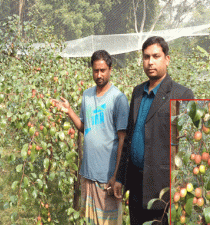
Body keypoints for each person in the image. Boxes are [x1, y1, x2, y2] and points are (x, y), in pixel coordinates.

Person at [113, 36, 194, 224]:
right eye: (146, 57)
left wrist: (184, 187)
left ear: (167, 59)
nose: (150, 62)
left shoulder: (181, 94)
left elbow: (188, 146)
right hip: (136, 187)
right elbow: (129, 139)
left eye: (156, 56)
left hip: (162, 189)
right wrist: (120, 178)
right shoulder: (137, 92)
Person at [53, 50, 129, 225]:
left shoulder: (118, 99)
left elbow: (123, 140)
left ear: (110, 69)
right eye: (96, 70)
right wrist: (69, 111)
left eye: (103, 70)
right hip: (88, 174)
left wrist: (117, 176)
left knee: (108, 221)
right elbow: (85, 128)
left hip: (107, 178)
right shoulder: (87, 95)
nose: (99, 75)